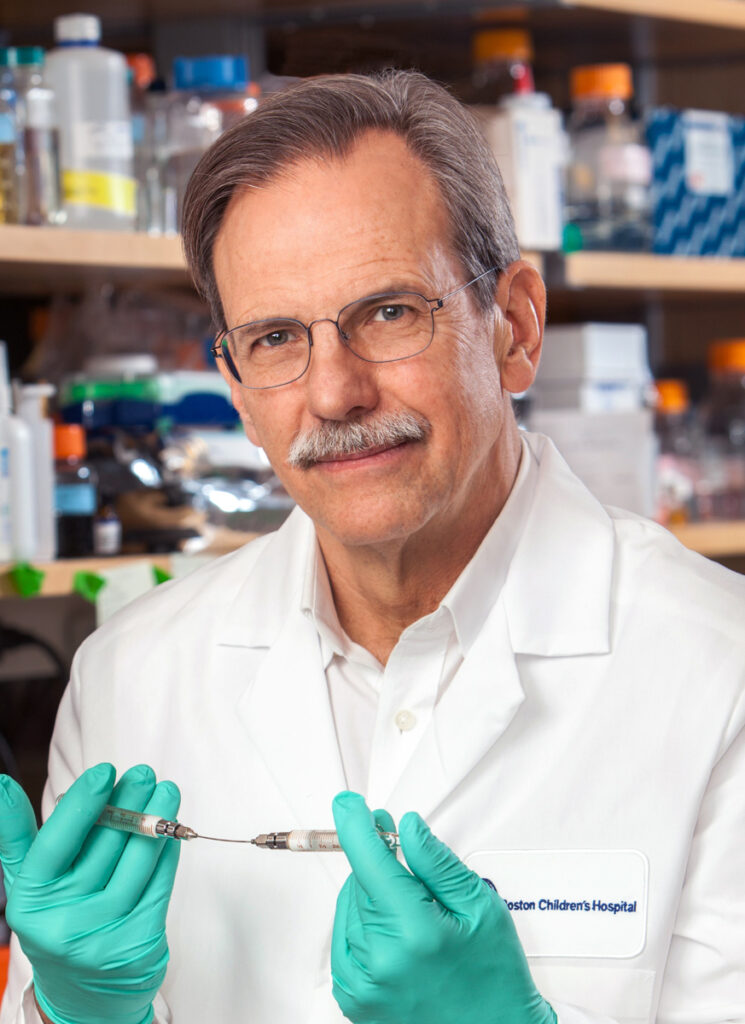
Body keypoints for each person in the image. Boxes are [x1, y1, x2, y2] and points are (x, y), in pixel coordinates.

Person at [1, 69, 744, 1024]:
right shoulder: (132, 677)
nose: (333, 394)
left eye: (389, 313)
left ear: (514, 326)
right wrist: (76, 1013)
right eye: (274, 338)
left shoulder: (718, 672)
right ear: (232, 380)